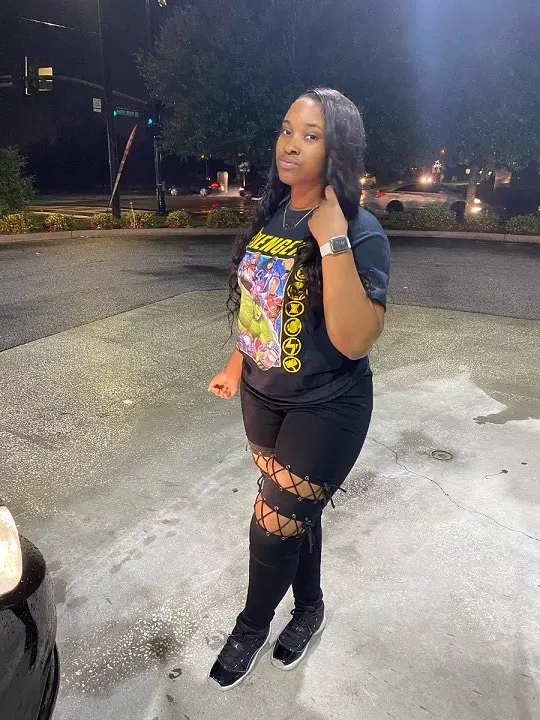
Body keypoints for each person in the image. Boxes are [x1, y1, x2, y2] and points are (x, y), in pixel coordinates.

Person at [207, 87, 390, 691]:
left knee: (271, 524)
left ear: (338, 150)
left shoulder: (361, 232)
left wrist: (332, 237)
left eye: (311, 136)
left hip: (328, 405)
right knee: (293, 516)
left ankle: (251, 627)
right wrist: (236, 364)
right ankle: (309, 608)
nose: (290, 144)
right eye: (287, 130)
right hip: (262, 398)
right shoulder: (272, 214)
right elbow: (257, 309)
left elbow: (354, 340)